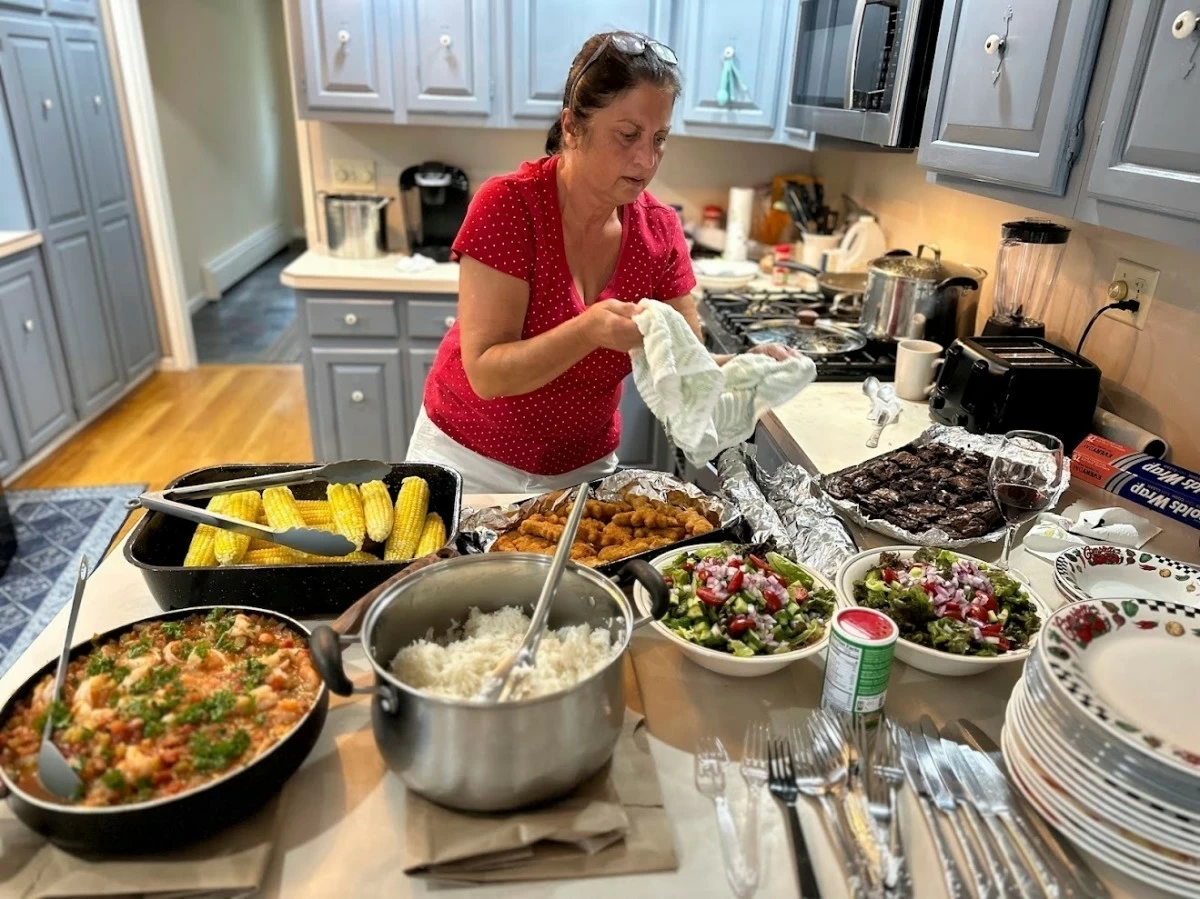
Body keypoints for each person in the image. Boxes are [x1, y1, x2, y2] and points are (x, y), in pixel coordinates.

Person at [407, 31, 793, 494]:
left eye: (660, 138)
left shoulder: (659, 231)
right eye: (628, 135)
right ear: (572, 127)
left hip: (583, 475)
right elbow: (488, 374)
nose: (647, 159)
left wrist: (744, 365)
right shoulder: (510, 207)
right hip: (467, 463)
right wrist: (589, 330)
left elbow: (687, 364)